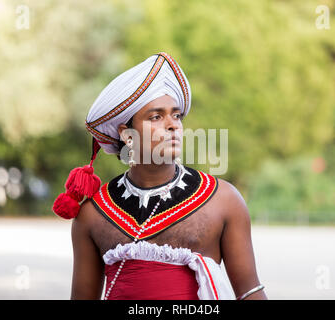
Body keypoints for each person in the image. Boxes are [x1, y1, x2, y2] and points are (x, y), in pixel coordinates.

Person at [53, 52, 267, 300]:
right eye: (156, 117)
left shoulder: (224, 200)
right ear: (127, 134)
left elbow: (250, 294)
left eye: (176, 115)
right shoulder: (93, 213)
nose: (173, 125)